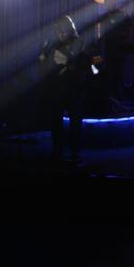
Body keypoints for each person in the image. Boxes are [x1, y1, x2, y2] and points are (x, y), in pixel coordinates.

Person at [38, 15, 88, 162]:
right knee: (56, 121)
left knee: (75, 122)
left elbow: (94, 61)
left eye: (63, 31)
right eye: (58, 31)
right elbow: (45, 65)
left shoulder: (79, 41)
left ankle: (75, 152)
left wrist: (69, 62)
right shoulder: (53, 44)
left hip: (74, 88)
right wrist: (43, 59)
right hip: (57, 89)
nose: (60, 34)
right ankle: (57, 150)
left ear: (69, 30)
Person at [101, 0, 134, 102]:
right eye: (106, 3)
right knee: (108, 72)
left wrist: (125, 37)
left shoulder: (121, 14)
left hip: (119, 49)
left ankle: (118, 97)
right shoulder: (104, 16)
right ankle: (110, 97)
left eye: (109, 3)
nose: (108, 5)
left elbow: (130, 26)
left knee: (118, 73)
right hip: (108, 49)